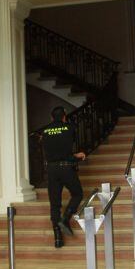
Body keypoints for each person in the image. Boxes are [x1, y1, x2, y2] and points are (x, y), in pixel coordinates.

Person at [40, 106, 86, 248]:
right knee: (77, 194)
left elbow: (47, 146)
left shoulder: (45, 131)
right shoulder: (70, 128)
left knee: (55, 204)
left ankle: (58, 238)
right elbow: (66, 148)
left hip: (52, 169)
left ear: (51, 117)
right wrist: (76, 156)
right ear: (64, 117)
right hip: (66, 167)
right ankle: (66, 218)